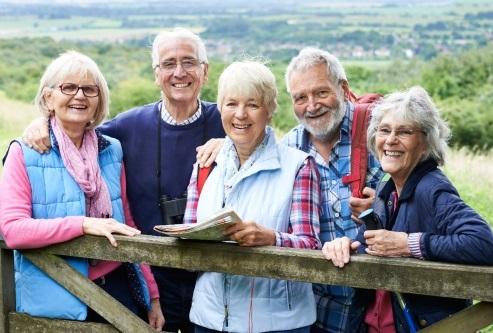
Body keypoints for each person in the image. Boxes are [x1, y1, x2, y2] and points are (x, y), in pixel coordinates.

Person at [22, 28, 226, 332]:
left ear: (205, 71)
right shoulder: (128, 126)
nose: (179, 72)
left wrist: (233, 145)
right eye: (169, 64)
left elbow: (268, 149)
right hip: (153, 278)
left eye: (189, 62)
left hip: (217, 278)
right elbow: (76, 133)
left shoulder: (230, 121)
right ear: (156, 74)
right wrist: (43, 123)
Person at [196, 47, 384, 333]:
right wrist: (228, 146)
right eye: (300, 98)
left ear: (343, 89)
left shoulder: (377, 137)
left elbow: (414, 194)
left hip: (367, 296)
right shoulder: (292, 145)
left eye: (321, 93)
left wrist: (381, 206)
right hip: (312, 301)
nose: (311, 105)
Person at [0, 51, 164, 330]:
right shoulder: (24, 152)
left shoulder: (111, 150)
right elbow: (13, 230)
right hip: (53, 296)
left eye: (90, 89)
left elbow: (126, 222)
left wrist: (153, 296)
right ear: (49, 97)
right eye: (68, 87)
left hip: (118, 288)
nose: (80, 96)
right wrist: (84, 224)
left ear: (99, 99)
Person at [322, 86, 493, 332]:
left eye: (404, 131)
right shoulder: (388, 190)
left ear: (425, 143)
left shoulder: (432, 188)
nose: (391, 140)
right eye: (384, 130)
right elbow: (376, 245)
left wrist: (408, 244)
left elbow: (485, 244)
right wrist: (344, 245)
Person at [183, 61, 321, 333]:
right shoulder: (205, 165)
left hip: (279, 325)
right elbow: (189, 233)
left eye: (253, 105)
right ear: (220, 108)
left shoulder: (298, 167)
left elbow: (312, 246)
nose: (241, 115)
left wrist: (271, 239)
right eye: (231, 103)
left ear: (270, 110)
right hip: (209, 320)